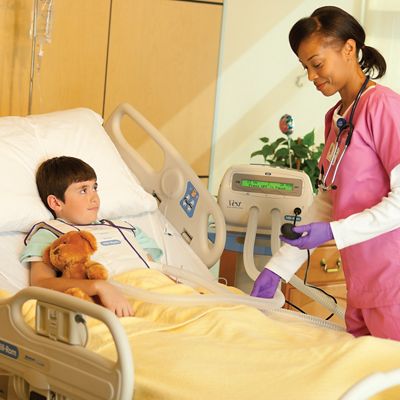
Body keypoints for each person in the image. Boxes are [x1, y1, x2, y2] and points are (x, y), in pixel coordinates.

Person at [251, 6, 400, 340]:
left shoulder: (385, 108)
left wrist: (332, 232)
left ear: (349, 49)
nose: (312, 76)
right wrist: (278, 267)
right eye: (306, 67)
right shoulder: (337, 119)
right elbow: (328, 198)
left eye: (317, 64)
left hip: (394, 284)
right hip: (362, 285)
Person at [20, 156, 163, 317]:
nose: (94, 197)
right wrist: (97, 287)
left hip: (160, 293)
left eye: (94, 187)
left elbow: (154, 266)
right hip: (117, 305)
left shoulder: (125, 228)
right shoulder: (50, 233)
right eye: (83, 190)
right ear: (56, 203)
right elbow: (41, 284)